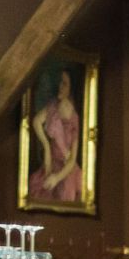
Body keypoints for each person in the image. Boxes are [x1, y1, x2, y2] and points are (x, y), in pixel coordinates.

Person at [28, 68, 83, 204]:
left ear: (71, 88)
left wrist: (56, 178)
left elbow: (72, 160)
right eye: (60, 83)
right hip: (50, 162)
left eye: (64, 84)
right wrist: (46, 146)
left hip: (66, 170)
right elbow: (36, 122)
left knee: (62, 193)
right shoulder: (53, 106)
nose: (60, 87)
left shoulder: (75, 119)